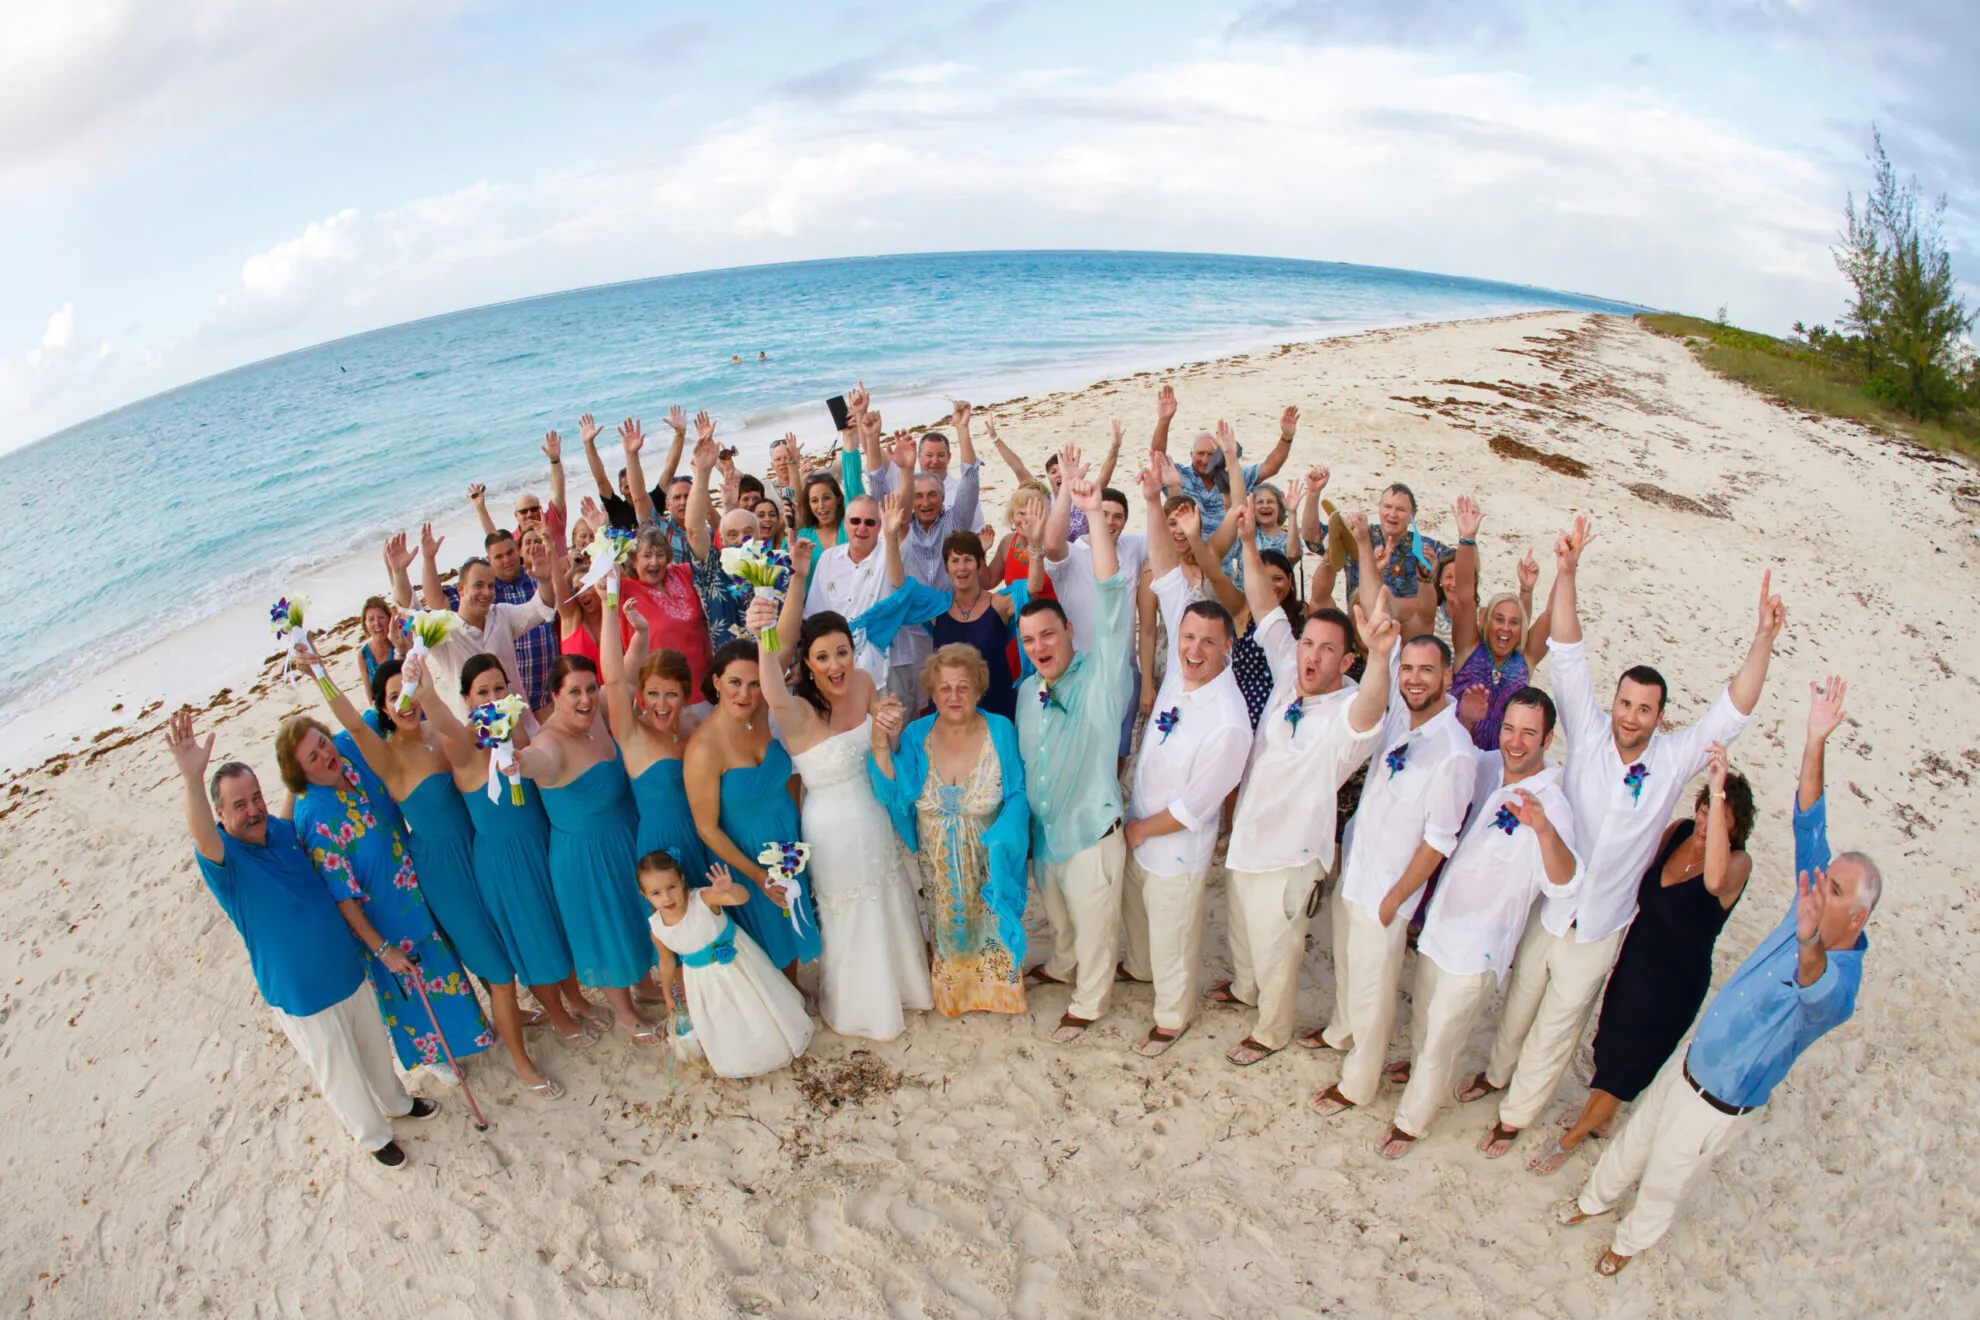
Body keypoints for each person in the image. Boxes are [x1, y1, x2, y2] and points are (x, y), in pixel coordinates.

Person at [1468, 516, 1783, 1160]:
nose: (1631, 716)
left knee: (1557, 1029)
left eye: (1645, 708)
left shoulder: (1673, 759)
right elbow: (1568, 650)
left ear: (1660, 716)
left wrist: (1762, 639)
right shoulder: (1586, 730)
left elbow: (1734, 709)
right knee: (1518, 1003)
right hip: (1553, 904)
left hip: (1603, 923)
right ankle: (1495, 1076)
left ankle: (1514, 1116)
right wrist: (1567, 571)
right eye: (1625, 704)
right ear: (1613, 703)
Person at [1560, 676, 1877, 1275]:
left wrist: (1808, 934)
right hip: (1692, 1053)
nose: (1817, 885)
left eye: (1832, 888)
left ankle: (1627, 1244)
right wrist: (1815, 739)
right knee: (1636, 1139)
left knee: (1667, 1175)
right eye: (1823, 877)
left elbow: (1813, 984)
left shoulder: (1840, 985)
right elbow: (1810, 820)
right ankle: (1590, 1201)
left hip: (1723, 1097)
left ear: (1856, 916)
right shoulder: (1813, 892)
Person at [167, 711, 439, 1168]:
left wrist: (299, 767)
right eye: (239, 805)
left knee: (375, 1049)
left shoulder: (279, 829)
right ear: (220, 815)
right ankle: (373, 1137)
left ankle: (397, 1102)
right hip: (300, 992)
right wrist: (191, 779)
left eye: (256, 797)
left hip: (346, 968)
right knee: (339, 1069)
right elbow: (200, 831)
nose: (252, 810)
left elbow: (292, 806)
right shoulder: (224, 858)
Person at [292, 641, 563, 1097]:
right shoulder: (387, 755)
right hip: (443, 871)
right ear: (382, 707)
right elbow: (353, 724)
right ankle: (521, 1064)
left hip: (478, 852)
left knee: (500, 945)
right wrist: (321, 673)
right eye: (394, 695)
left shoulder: (440, 732)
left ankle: (513, 1014)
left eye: (410, 688)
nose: (406, 701)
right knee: (498, 970)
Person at [1210, 524, 1393, 1066]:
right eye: (1308, 643)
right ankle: (1245, 989)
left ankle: (1271, 1031)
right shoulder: (1292, 668)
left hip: (1291, 856)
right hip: (1248, 837)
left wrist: (1381, 658)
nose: (1311, 655)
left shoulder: (1349, 711)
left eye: (1327, 649)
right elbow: (1265, 609)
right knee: (1243, 931)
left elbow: (1370, 711)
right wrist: (1247, 543)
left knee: (1278, 948)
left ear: (1347, 662)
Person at [1530, 744, 1754, 1176]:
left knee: (1629, 1065)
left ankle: (1572, 1137)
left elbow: (1713, 881)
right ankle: (1603, 1119)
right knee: (1610, 1047)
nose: (1706, 822)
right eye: (1705, 809)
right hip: (1635, 964)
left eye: (1720, 817)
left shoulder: (1737, 864)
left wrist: (1719, 791)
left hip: (1674, 986)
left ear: (1735, 826)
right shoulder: (1679, 832)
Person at [1306, 549, 1476, 1116]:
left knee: (1375, 992)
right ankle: (1340, 1032)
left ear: (1447, 677)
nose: (1414, 679)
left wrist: (1395, 899)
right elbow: (1380, 628)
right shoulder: (1403, 713)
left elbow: (1440, 841)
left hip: (1388, 891)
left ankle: (1358, 1082)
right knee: (1349, 970)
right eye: (1409, 670)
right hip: (1358, 870)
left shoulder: (1455, 752)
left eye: (1426, 671)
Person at [1379, 687, 1582, 1158]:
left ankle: (1411, 1123)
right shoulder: (1490, 765)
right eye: (1509, 728)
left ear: (1547, 740)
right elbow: (1457, 768)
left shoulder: (1553, 806)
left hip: (1479, 947)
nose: (1515, 742)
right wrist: (1469, 722)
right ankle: (1418, 1071)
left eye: (1528, 733)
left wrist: (1543, 830)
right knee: (1425, 1018)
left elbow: (1566, 882)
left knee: (1443, 1039)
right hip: (1441, 927)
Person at [1116, 465, 1253, 1058]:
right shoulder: (1180, 661)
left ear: (1227, 648)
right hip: (1140, 824)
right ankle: (1139, 970)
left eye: (1206, 643)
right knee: (1139, 919)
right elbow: (1168, 572)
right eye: (1188, 638)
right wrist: (1152, 501)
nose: (1193, 650)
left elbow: (1197, 808)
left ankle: (1172, 1015)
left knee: (1174, 933)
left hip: (1172, 842)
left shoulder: (1229, 720)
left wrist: (1142, 828)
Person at [751, 601, 932, 1040]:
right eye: (823, 657)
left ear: (853, 652)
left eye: (842, 652)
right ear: (808, 665)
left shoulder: (865, 682)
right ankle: (858, 1005)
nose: (836, 665)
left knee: (888, 894)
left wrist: (890, 725)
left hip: (874, 812)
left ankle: (904, 988)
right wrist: (764, 636)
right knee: (848, 909)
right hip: (831, 828)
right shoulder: (797, 711)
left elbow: (884, 745)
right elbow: (771, 689)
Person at [277, 714, 493, 1079]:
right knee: (412, 992)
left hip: (418, 890)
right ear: (300, 775)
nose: (325, 755)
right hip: (381, 919)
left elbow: (378, 714)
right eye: (312, 758)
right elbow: (341, 897)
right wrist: (381, 950)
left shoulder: (347, 751)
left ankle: (472, 1033)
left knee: (445, 971)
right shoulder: (313, 816)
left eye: (322, 743)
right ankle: (432, 1056)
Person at [411, 653, 600, 1047]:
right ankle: (557, 1015)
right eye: (483, 692)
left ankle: (577, 999)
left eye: (500, 688)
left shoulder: (518, 735)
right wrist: (426, 691)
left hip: (539, 844)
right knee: (533, 940)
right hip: (504, 861)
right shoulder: (463, 746)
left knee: (556, 929)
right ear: (466, 698)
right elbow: (442, 720)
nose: (494, 698)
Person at [1015, 455, 1132, 1043]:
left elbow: (1112, 600)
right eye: (1028, 639)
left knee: (1093, 925)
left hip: (1090, 834)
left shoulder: (1102, 678)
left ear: (1069, 633)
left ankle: (1089, 1000)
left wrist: (1093, 517)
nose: (1039, 646)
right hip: (1047, 835)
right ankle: (1062, 967)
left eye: (1048, 635)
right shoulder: (1026, 691)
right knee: (1060, 920)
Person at [869, 644, 1032, 1017]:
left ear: (979, 690)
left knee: (992, 933)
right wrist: (881, 739)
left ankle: (998, 995)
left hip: (989, 865)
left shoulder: (1000, 730)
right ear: (932, 692)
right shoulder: (916, 734)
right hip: (939, 866)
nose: (954, 696)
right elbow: (894, 789)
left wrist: (1003, 840)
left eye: (963, 687)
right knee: (950, 935)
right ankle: (955, 996)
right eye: (944, 688)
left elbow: (1018, 794)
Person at [513, 655, 663, 1044]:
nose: (585, 699)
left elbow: (627, 677)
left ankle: (645, 985)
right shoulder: (549, 742)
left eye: (591, 689)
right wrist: (517, 762)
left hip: (624, 837)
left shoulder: (596, 716)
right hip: (587, 857)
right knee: (607, 929)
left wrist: (639, 633)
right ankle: (625, 1013)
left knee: (634, 917)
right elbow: (535, 761)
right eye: (574, 692)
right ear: (554, 696)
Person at [683, 642, 824, 976]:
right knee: (768, 939)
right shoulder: (704, 749)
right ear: (716, 682)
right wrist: (759, 876)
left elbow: (782, 644)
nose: (744, 694)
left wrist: (765, 628)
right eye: (734, 682)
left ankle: (795, 986)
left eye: (754, 684)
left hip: (786, 842)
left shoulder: (758, 712)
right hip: (747, 857)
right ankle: (783, 994)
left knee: (792, 927)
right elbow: (707, 829)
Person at [642, 856, 813, 1079]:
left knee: (757, 1003)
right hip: (703, 982)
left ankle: (780, 1043)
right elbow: (666, 962)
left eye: (672, 887)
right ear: (645, 895)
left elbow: (742, 898)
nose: (666, 898)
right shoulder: (657, 928)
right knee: (723, 1019)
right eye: (656, 893)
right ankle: (738, 1063)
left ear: (682, 881)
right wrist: (667, 994)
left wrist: (730, 889)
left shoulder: (703, 898)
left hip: (739, 965)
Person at [389, 521, 560, 717]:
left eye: (490, 586)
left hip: (520, 724)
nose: (486, 592)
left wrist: (544, 579)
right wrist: (399, 572)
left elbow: (540, 607)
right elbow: (411, 611)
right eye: (478, 585)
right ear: (461, 589)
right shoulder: (445, 630)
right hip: (474, 729)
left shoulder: (502, 615)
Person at [1036, 472, 1148, 766]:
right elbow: (1051, 545)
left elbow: (1171, 538)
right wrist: (1065, 489)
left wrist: (1159, 492)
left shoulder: (1133, 547)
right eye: (1104, 514)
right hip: (1078, 674)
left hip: (1124, 672)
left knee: (1119, 750)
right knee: (1080, 754)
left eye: (1118, 517)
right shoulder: (1072, 553)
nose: (1111, 522)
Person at [599, 607, 712, 896]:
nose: (660, 705)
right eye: (652, 694)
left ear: (685, 694)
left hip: (706, 834)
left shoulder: (693, 723)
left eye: (671, 694)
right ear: (641, 694)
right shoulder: (631, 733)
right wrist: (608, 606)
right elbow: (615, 680)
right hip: (663, 849)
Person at [1443, 496, 1554, 752]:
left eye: (1514, 623)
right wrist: (1467, 539)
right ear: (1486, 621)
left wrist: (1567, 567)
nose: (1505, 628)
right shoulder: (1469, 649)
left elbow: (1552, 615)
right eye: (1499, 619)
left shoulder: (1525, 660)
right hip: (1456, 753)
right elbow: (1464, 598)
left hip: (1504, 760)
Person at [1149, 385, 1295, 532]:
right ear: (1191, 454)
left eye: (1210, 454)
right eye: (1200, 453)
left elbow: (1270, 467)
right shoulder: (1178, 475)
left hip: (1228, 541)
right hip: (1189, 541)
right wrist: (1164, 421)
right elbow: (1157, 457)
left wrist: (1286, 438)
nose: (1205, 460)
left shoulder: (1233, 478)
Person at [1314, 482, 1448, 637]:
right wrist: (1312, 494)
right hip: (1358, 623)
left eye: (1401, 509)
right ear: (1379, 508)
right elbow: (1312, 537)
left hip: (1399, 628)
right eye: (1388, 507)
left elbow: (1461, 572)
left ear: (1413, 514)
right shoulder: (1360, 533)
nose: (1393, 514)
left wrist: (1429, 576)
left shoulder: (1426, 548)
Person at [803, 493, 899, 696]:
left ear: (880, 526)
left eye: (869, 522)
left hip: (881, 672)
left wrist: (892, 535)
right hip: (834, 672)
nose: (861, 528)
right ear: (845, 524)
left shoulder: (892, 556)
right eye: (855, 521)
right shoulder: (828, 558)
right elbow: (814, 617)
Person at [984, 412, 1122, 544]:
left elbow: (1104, 477)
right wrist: (995, 438)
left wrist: (1115, 448)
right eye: (1053, 471)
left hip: (1080, 557)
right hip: (1049, 558)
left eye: (1063, 470)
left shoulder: (1085, 498)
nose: (1059, 474)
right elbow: (1018, 468)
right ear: (1048, 477)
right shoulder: (1042, 498)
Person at [578, 408, 687, 536]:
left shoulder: (653, 501)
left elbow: (670, 470)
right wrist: (588, 444)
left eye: (633, 484)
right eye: (626, 487)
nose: (631, 490)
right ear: (620, 489)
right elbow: (601, 480)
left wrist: (680, 434)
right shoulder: (616, 508)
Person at [357, 595, 402, 693]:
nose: (377, 624)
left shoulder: (400, 644)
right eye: (371, 619)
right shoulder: (364, 655)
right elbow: (370, 695)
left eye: (381, 617)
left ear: (390, 620)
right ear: (365, 624)